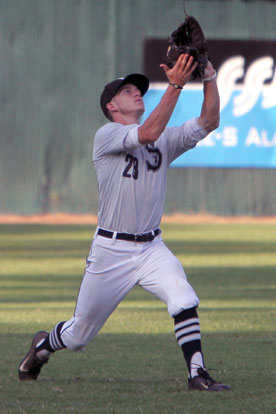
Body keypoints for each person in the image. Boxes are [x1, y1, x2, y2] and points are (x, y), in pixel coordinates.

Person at [18, 54, 230, 391]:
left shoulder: (163, 138)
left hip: (151, 248)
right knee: (78, 336)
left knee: (182, 296)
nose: (136, 93)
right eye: (127, 90)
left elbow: (209, 121)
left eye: (138, 89)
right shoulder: (107, 135)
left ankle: (197, 373)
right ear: (111, 106)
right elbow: (146, 133)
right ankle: (44, 345)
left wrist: (209, 77)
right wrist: (175, 85)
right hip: (110, 251)